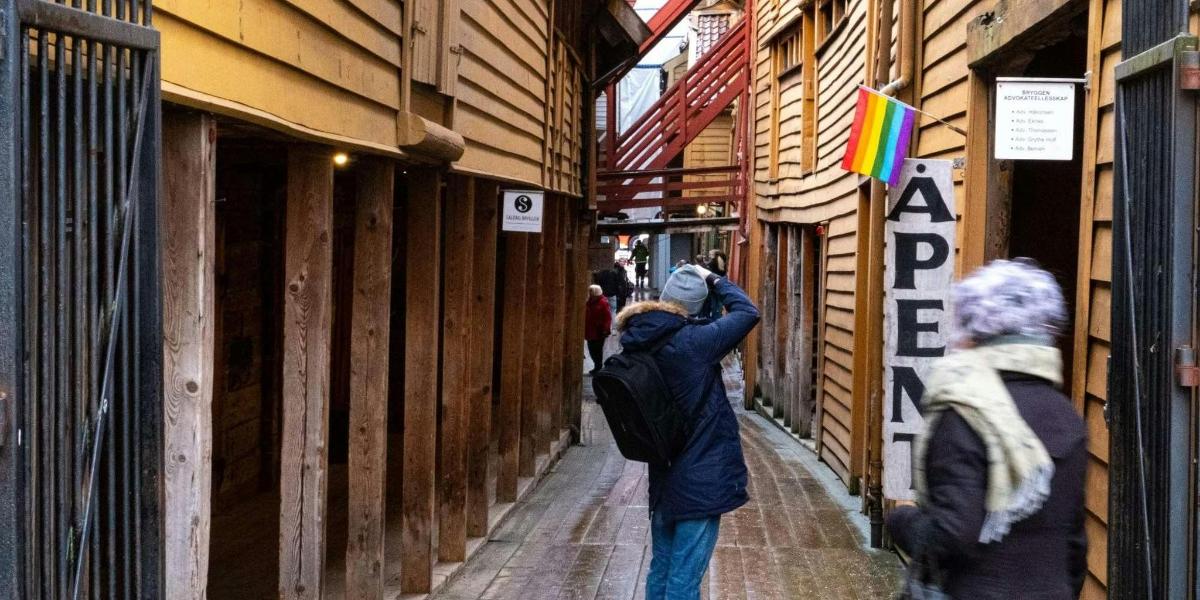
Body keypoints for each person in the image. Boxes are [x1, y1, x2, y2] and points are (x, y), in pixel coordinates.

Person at [886, 259, 1087, 600]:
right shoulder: (1066, 416)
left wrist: (902, 521)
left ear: (979, 330)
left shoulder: (964, 411)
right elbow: (1074, 545)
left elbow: (953, 535)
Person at [615, 264, 760, 599]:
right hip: (701, 479)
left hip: (663, 476)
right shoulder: (696, 342)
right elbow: (747, 311)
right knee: (683, 580)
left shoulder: (638, 339)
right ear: (695, 306)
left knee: (662, 569)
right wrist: (713, 277)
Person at [584, 285, 612, 375]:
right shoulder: (590, 302)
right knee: (592, 349)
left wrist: (605, 329)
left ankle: (598, 367)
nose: (590, 294)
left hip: (598, 331)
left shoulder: (603, 303)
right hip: (590, 329)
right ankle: (597, 366)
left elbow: (607, 317)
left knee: (597, 350)